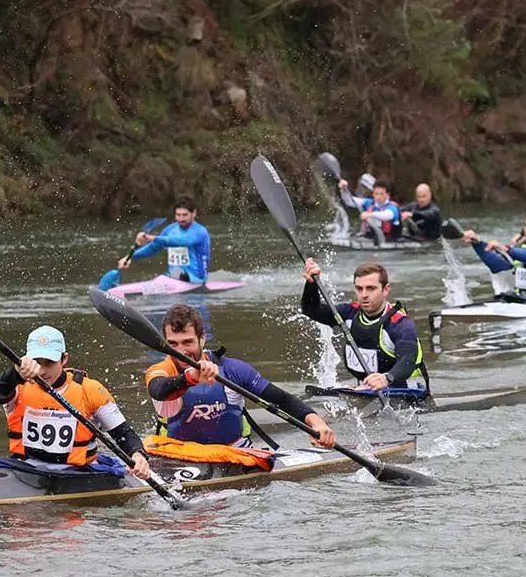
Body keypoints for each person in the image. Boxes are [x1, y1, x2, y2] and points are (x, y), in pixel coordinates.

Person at [144, 304, 336, 448]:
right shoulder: (161, 370)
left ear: (202, 339)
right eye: (173, 344)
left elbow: (282, 400)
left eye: (188, 342)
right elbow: (158, 390)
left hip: (235, 452)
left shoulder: (232, 369)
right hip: (180, 457)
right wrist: (191, 377)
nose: (181, 351)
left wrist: (316, 422)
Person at [0, 325, 151, 478]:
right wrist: (15, 373)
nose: (42, 370)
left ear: (64, 359)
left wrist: (138, 455)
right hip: (26, 469)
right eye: (37, 362)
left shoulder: (91, 390)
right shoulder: (18, 385)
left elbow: (123, 434)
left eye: (49, 362)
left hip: (77, 473)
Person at [301, 260, 429, 393]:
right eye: (359, 289)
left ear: (385, 290)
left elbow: (407, 361)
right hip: (366, 391)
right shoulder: (349, 313)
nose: (364, 295)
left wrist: (386, 378)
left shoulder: (401, 325)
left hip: (406, 392)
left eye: (371, 288)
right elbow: (311, 310)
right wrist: (311, 283)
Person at [463, 207, 526, 305]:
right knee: (502, 295)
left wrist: (507, 250)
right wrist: (477, 244)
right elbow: (498, 266)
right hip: (524, 300)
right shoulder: (522, 247)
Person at [118, 195, 211, 283]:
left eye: (184, 215)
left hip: (195, 280)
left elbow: (181, 241)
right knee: (170, 276)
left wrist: (151, 237)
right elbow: (153, 248)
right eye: (178, 215)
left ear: (193, 213)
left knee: (176, 275)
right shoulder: (170, 229)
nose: (181, 219)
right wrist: (129, 257)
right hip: (173, 278)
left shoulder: (200, 232)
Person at [337, 178, 402, 242]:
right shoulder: (368, 203)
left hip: (391, 240)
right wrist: (343, 189)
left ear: (388, 195)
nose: (378, 197)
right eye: (376, 194)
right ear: (373, 194)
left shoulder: (393, 208)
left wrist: (370, 214)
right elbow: (349, 201)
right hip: (371, 237)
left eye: (381, 194)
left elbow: (387, 215)